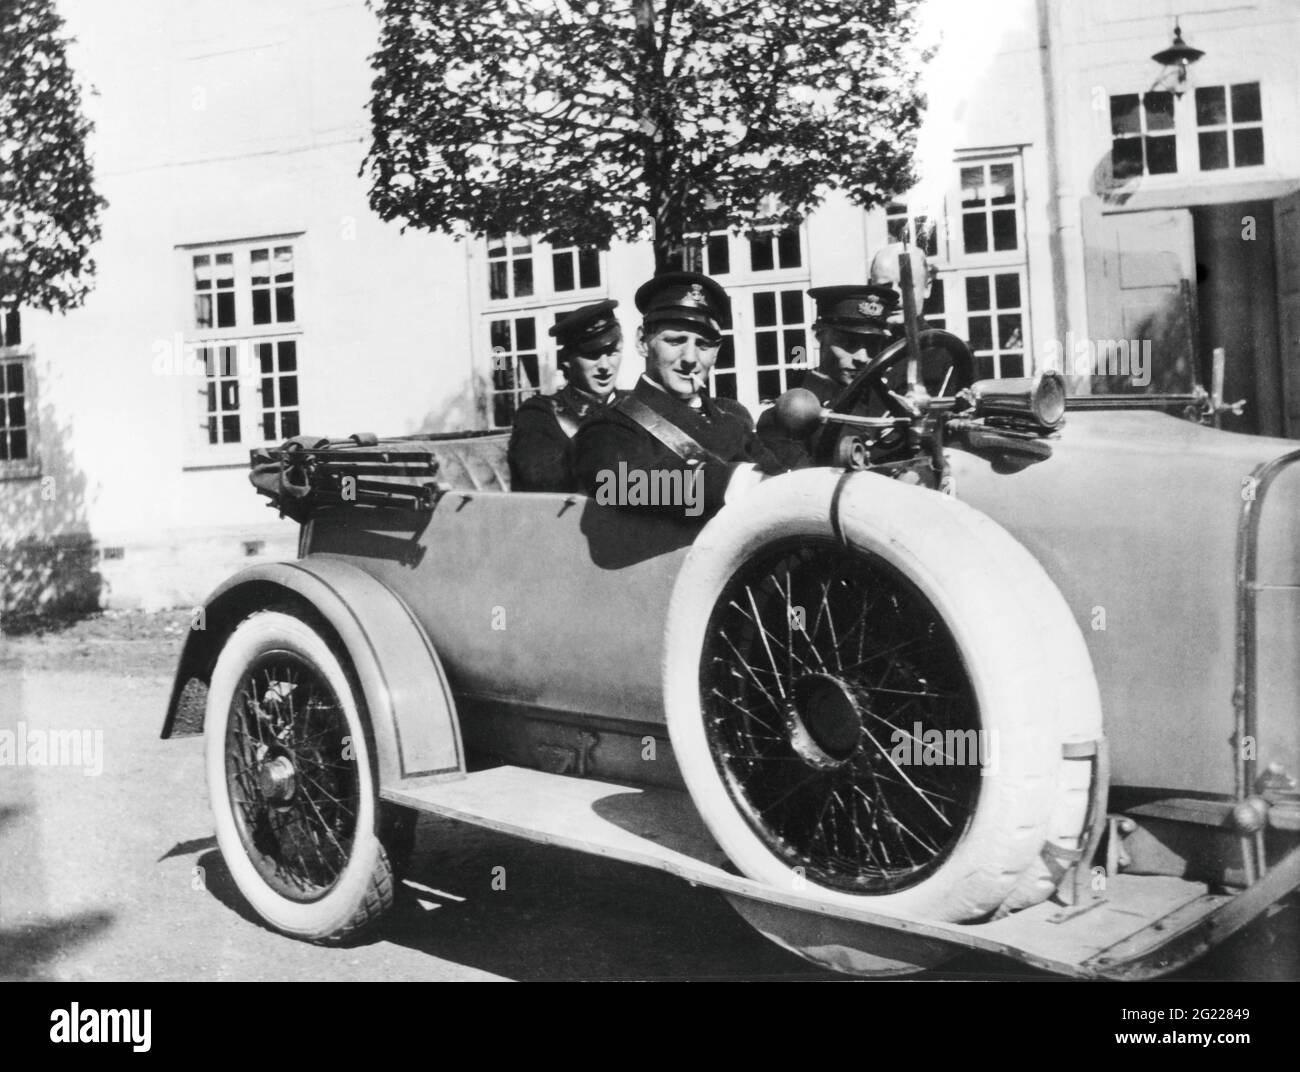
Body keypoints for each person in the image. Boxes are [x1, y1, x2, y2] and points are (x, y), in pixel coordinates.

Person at [569, 271, 783, 521]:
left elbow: (781, 481)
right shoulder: (609, 427)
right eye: (675, 341)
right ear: (642, 342)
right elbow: (614, 484)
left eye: (703, 345)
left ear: (716, 353)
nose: (690, 358)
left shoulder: (732, 422)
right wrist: (737, 482)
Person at [757, 284, 898, 468]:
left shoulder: (892, 406)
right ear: (819, 334)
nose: (862, 358)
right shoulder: (788, 416)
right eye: (849, 343)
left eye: (873, 344)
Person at [507, 299, 623, 492]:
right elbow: (548, 494)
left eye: (612, 353)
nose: (604, 366)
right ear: (567, 360)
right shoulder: (540, 415)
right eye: (592, 355)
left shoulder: (634, 406)